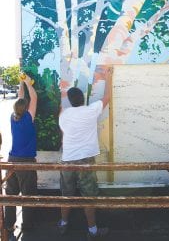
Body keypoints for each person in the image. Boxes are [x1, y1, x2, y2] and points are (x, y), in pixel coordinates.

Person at [58, 67, 112, 239]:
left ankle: (63, 224)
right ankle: (92, 230)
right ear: (82, 99)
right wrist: (109, 77)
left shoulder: (64, 115)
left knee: (66, 195)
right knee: (88, 196)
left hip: (67, 161)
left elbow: (61, 112)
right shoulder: (91, 110)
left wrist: (62, 90)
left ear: (70, 101)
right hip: (86, 161)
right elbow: (107, 97)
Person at [5, 75, 37, 240]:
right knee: (28, 193)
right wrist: (27, 81)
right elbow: (34, 97)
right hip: (26, 162)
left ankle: (8, 226)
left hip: (12, 160)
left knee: (10, 194)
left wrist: (20, 81)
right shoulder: (28, 118)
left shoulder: (13, 117)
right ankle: (28, 225)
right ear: (26, 108)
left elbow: (20, 98)